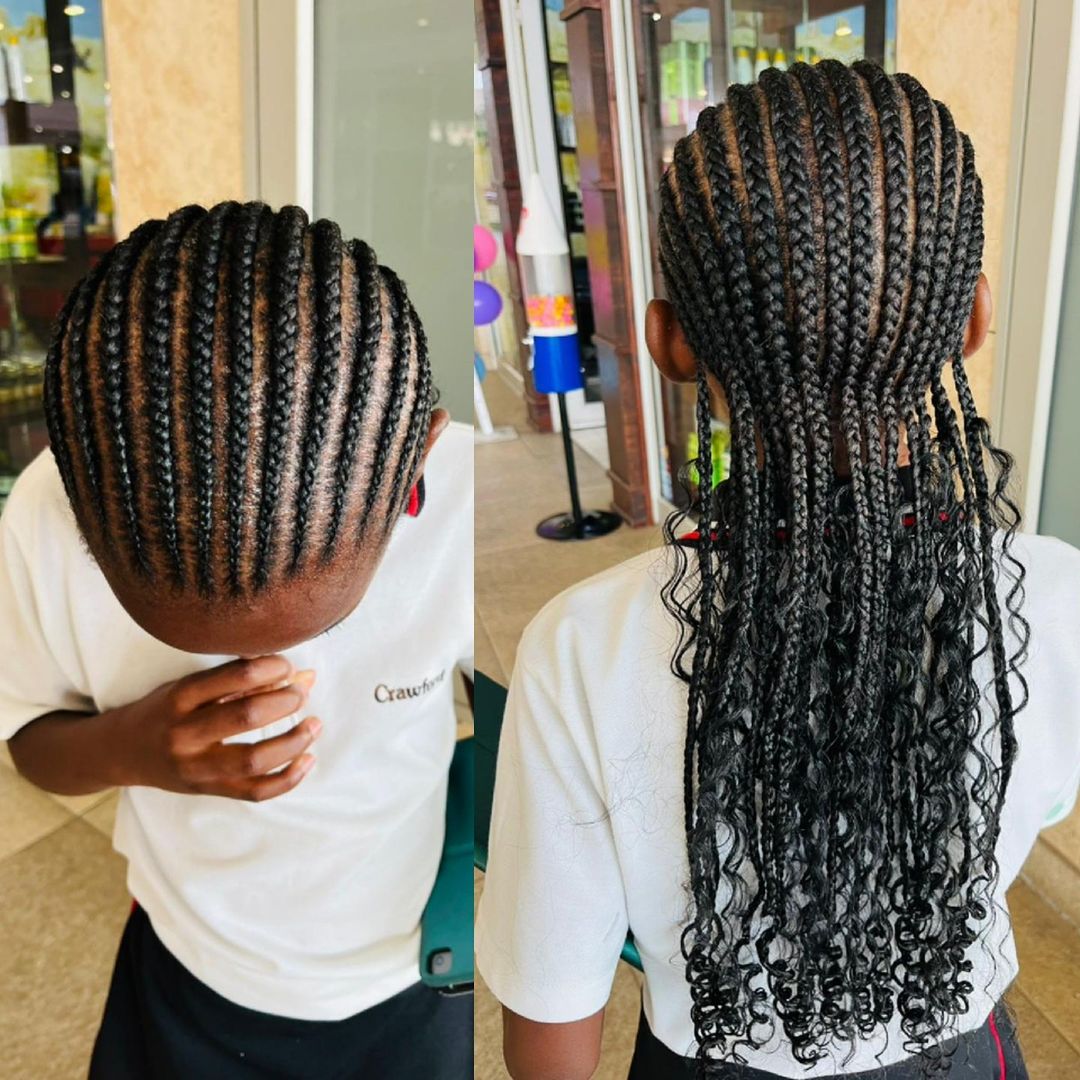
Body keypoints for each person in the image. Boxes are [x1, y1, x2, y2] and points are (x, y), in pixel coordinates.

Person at [476, 61, 1080, 1078]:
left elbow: (551, 1001)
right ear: (974, 320)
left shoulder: (584, 649)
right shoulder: (1054, 601)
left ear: (667, 343)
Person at [1, 202, 473, 1078]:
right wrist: (134, 747)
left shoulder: (461, 503)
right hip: (185, 967)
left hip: (410, 978)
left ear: (417, 470)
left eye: (323, 624)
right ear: (76, 499)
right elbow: (32, 747)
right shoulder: (43, 515)